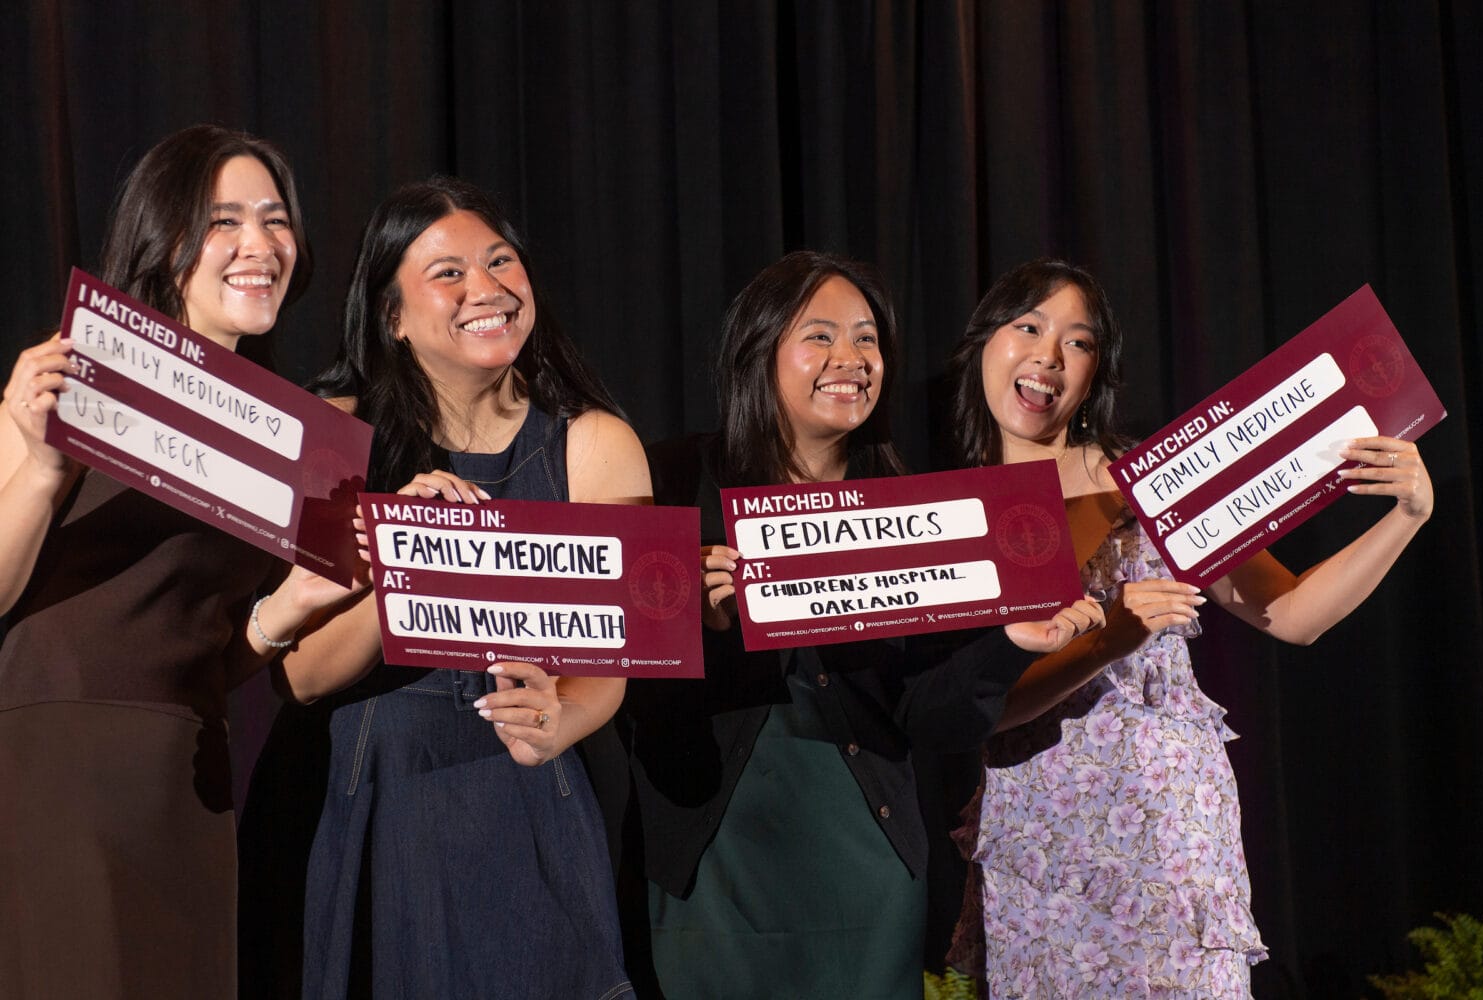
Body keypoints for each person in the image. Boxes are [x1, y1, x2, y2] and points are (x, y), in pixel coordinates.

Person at [620, 251, 1104, 999]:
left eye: (867, 339)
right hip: (714, 863)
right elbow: (604, 677)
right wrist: (696, 629)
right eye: (819, 336)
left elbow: (932, 716)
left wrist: (1010, 646)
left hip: (866, 867)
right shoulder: (668, 481)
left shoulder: (919, 510)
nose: (849, 359)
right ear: (760, 352)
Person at [945, 259, 1433, 997]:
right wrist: (1112, 636)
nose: (1047, 356)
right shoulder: (944, 518)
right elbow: (986, 709)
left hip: (1167, 838)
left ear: (1095, 372)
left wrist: (1408, 516)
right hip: (1042, 846)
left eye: (1077, 342)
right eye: (1028, 327)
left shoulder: (1156, 484)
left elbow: (1294, 614)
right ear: (985, 343)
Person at [237, 177, 647, 1000]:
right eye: (449, 273)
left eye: (501, 262)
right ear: (391, 314)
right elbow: (305, 674)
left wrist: (562, 719)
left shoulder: (596, 443)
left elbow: (615, 654)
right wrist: (409, 563)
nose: (487, 289)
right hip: (367, 800)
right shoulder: (337, 433)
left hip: (526, 795)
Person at [0, 124, 352, 995]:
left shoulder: (288, 438)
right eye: (225, 220)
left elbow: (211, 649)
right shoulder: (72, 369)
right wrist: (44, 469)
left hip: (190, 775)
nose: (259, 245)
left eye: (276, 220)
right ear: (167, 237)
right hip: (62, 764)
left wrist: (287, 612)